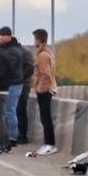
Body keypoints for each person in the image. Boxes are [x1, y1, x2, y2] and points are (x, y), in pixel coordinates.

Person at [0, 27, 22, 156]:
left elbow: (2, 72)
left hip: (4, 87)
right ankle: (6, 142)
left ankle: (7, 141)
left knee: (4, 115)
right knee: (5, 115)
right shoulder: (10, 50)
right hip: (8, 86)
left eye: (0, 36)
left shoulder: (5, 52)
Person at [30, 28, 57, 156]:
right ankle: (48, 143)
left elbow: (45, 74)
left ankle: (50, 144)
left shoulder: (43, 55)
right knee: (45, 117)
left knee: (45, 118)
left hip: (45, 89)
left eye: (34, 39)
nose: (34, 41)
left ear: (39, 40)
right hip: (46, 88)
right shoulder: (47, 53)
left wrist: (40, 88)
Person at [15, 33, 34, 148]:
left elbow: (30, 68)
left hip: (23, 85)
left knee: (20, 110)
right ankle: (14, 134)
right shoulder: (12, 52)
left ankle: (22, 135)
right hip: (12, 85)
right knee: (12, 112)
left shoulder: (24, 52)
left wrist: (19, 79)